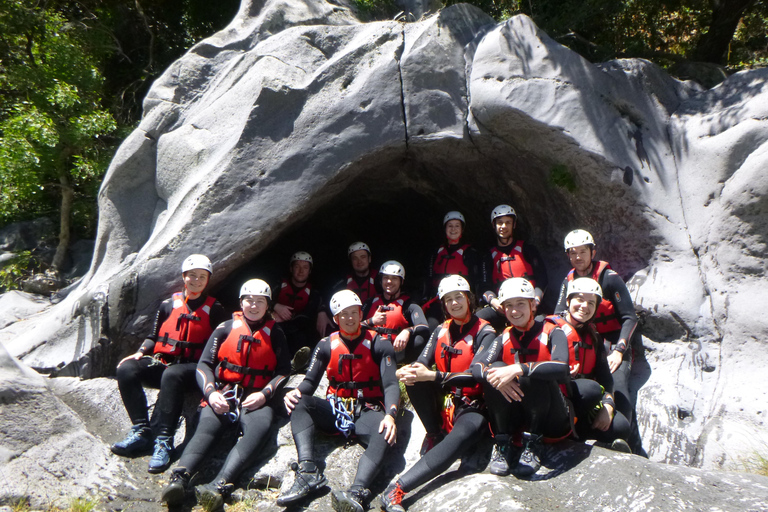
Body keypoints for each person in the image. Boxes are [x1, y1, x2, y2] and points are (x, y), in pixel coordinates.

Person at [161, 279, 290, 508]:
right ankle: (180, 478)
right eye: (249, 300)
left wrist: (265, 394)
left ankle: (219, 484)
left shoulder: (276, 332)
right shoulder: (226, 327)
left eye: (260, 301)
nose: (254, 305)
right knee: (207, 428)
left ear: (267, 305)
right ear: (241, 303)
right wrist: (211, 393)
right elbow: (204, 365)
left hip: (255, 397)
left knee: (258, 429)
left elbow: (283, 371)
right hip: (225, 392)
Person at [381, 275, 496, 512]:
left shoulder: (486, 333)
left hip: (473, 406)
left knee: (467, 430)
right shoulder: (441, 330)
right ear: (443, 305)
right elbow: (422, 361)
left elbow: (476, 374)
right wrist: (408, 372)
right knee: (414, 379)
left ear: (469, 298)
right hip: (446, 399)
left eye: (459, 298)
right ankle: (434, 432)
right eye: (448, 300)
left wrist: (432, 376)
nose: (454, 303)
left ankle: (398, 489)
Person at [278, 290, 399, 512]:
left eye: (354, 312)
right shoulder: (325, 345)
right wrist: (294, 392)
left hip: (367, 410)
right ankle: (307, 472)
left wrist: (390, 415)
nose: (350, 318)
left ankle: (356, 492)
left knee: (385, 433)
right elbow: (310, 382)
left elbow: (391, 384)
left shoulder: (380, 343)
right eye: (344, 314)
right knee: (300, 401)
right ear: (335, 319)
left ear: (361, 313)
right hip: (336, 409)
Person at [112, 254, 228, 473]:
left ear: (207, 280)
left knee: (173, 374)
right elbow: (153, 336)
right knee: (126, 369)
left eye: (202, 277)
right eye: (192, 276)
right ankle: (141, 431)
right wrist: (139, 353)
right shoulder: (168, 305)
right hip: (165, 364)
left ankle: (164, 441)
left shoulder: (215, 309)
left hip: (194, 370)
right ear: (184, 277)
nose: (197, 281)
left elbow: (223, 343)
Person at [554, 229, 647, 454]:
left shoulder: (609, 278)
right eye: (573, 253)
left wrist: (620, 350)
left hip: (613, 341)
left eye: (582, 252)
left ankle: (623, 439)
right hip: (585, 339)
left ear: (592, 252)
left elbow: (629, 317)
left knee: (619, 382)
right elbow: (558, 315)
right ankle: (574, 429)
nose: (578, 257)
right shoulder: (568, 282)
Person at [472, 278, 572, 477]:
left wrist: (519, 369)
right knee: (496, 370)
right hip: (521, 412)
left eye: (520, 304)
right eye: (509, 305)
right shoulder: (504, 336)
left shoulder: (553, 332)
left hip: (553, 415)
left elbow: (562, 367)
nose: (515, 310)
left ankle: (533, 443)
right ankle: (503, 443)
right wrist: (498, 379)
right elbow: (476, 367)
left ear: (532, 304)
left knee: (529, 374)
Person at [547, 278, 630, 449]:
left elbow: (606, 379)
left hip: (583, 404)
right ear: (568, 301)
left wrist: (608, 406)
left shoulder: (594, 337)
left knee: (621, 426)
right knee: (589, 389)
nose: (585, 306)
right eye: (579, 299)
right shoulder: (548, 327)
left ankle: (583, 438)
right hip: (554, 403)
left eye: (591, 303)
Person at [478, 205, 548, 332]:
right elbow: (484, 286)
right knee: (476, 321)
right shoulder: (488, 255)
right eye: (500, 223)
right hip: (503, 306)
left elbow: (542, 278)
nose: (504, 226)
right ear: (494, 226)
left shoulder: (528, 249)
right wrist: (493, 301)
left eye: (508, 223)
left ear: (514, 225)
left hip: (529, 305)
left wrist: (536, 301)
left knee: (544, 325)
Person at [361, 261, 430, 364]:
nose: (389, 281)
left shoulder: (409, 304)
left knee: (419, 340)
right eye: (386, 278)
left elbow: (424, 326)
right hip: (372, 349)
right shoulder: (370, 302)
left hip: (397, 351)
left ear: (401, 282)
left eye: (394, 278)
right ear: (380, 280)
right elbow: (353, 327)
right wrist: (372, 321)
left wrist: (408, 331)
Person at [422, 212, 481, 331]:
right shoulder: (436, 252)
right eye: (450, 226)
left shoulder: (470, 253)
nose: (453, 229)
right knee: (430, 328)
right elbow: (428, 278)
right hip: (438, 301)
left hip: (459, 301)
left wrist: (477, 302)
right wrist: (424, 298)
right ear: (445, 229)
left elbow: (475, 280)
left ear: (462, 229)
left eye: (457, 226)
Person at [273, 251, 327, 371]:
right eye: (297, 266)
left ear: (310, 271)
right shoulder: (279, 284)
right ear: (291, 268)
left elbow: (308, 315)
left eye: (305, 267)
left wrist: (321, 311)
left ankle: (297, 365)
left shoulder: (313, 292)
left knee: (301, 336)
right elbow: (265, 299)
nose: (301, 271)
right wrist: (276, 306)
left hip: (297, 330)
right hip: (277, 327)